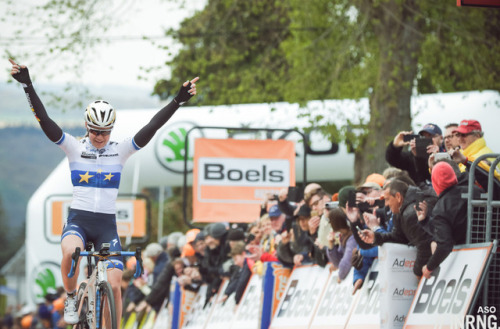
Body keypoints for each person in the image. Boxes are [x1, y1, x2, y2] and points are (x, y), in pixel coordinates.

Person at [9, 58, 198, 324]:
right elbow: (45, 122)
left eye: (105, 132)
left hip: (107, 226)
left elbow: (152, 126)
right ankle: (73, 297)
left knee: (116, 283)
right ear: (87, 127)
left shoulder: (120, 150)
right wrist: (28, 85)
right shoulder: (74, 147)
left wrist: (177, 101)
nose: (100, 137)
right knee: (69, 252)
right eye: (96, 131)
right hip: (79, 221)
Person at [355, 179, 437, 277]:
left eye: (387, 199)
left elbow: (425, 247)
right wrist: (375, 237)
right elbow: (397, 237)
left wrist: (417, 272)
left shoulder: (410, 213)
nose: (385, 204)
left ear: (398, 197)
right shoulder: (400, 209)